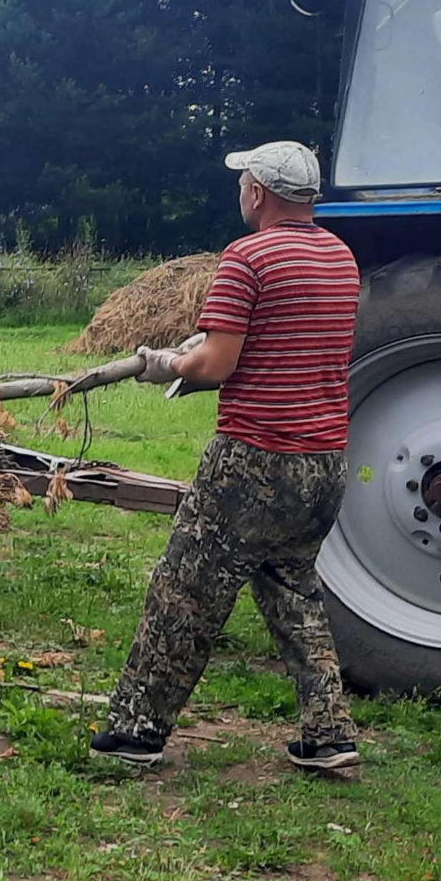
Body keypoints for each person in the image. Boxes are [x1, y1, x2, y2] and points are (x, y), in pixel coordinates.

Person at [93, 141, 364, 773]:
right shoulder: (340, 256)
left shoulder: (248, 257)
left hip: (254, 459)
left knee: (184, 592)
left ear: (258, 193)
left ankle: (137, 732)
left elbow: (217, 366)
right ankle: (329, 736)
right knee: (294, 589)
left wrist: (166, 362)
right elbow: (284, 341)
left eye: (243, 181)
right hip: (323, 461)